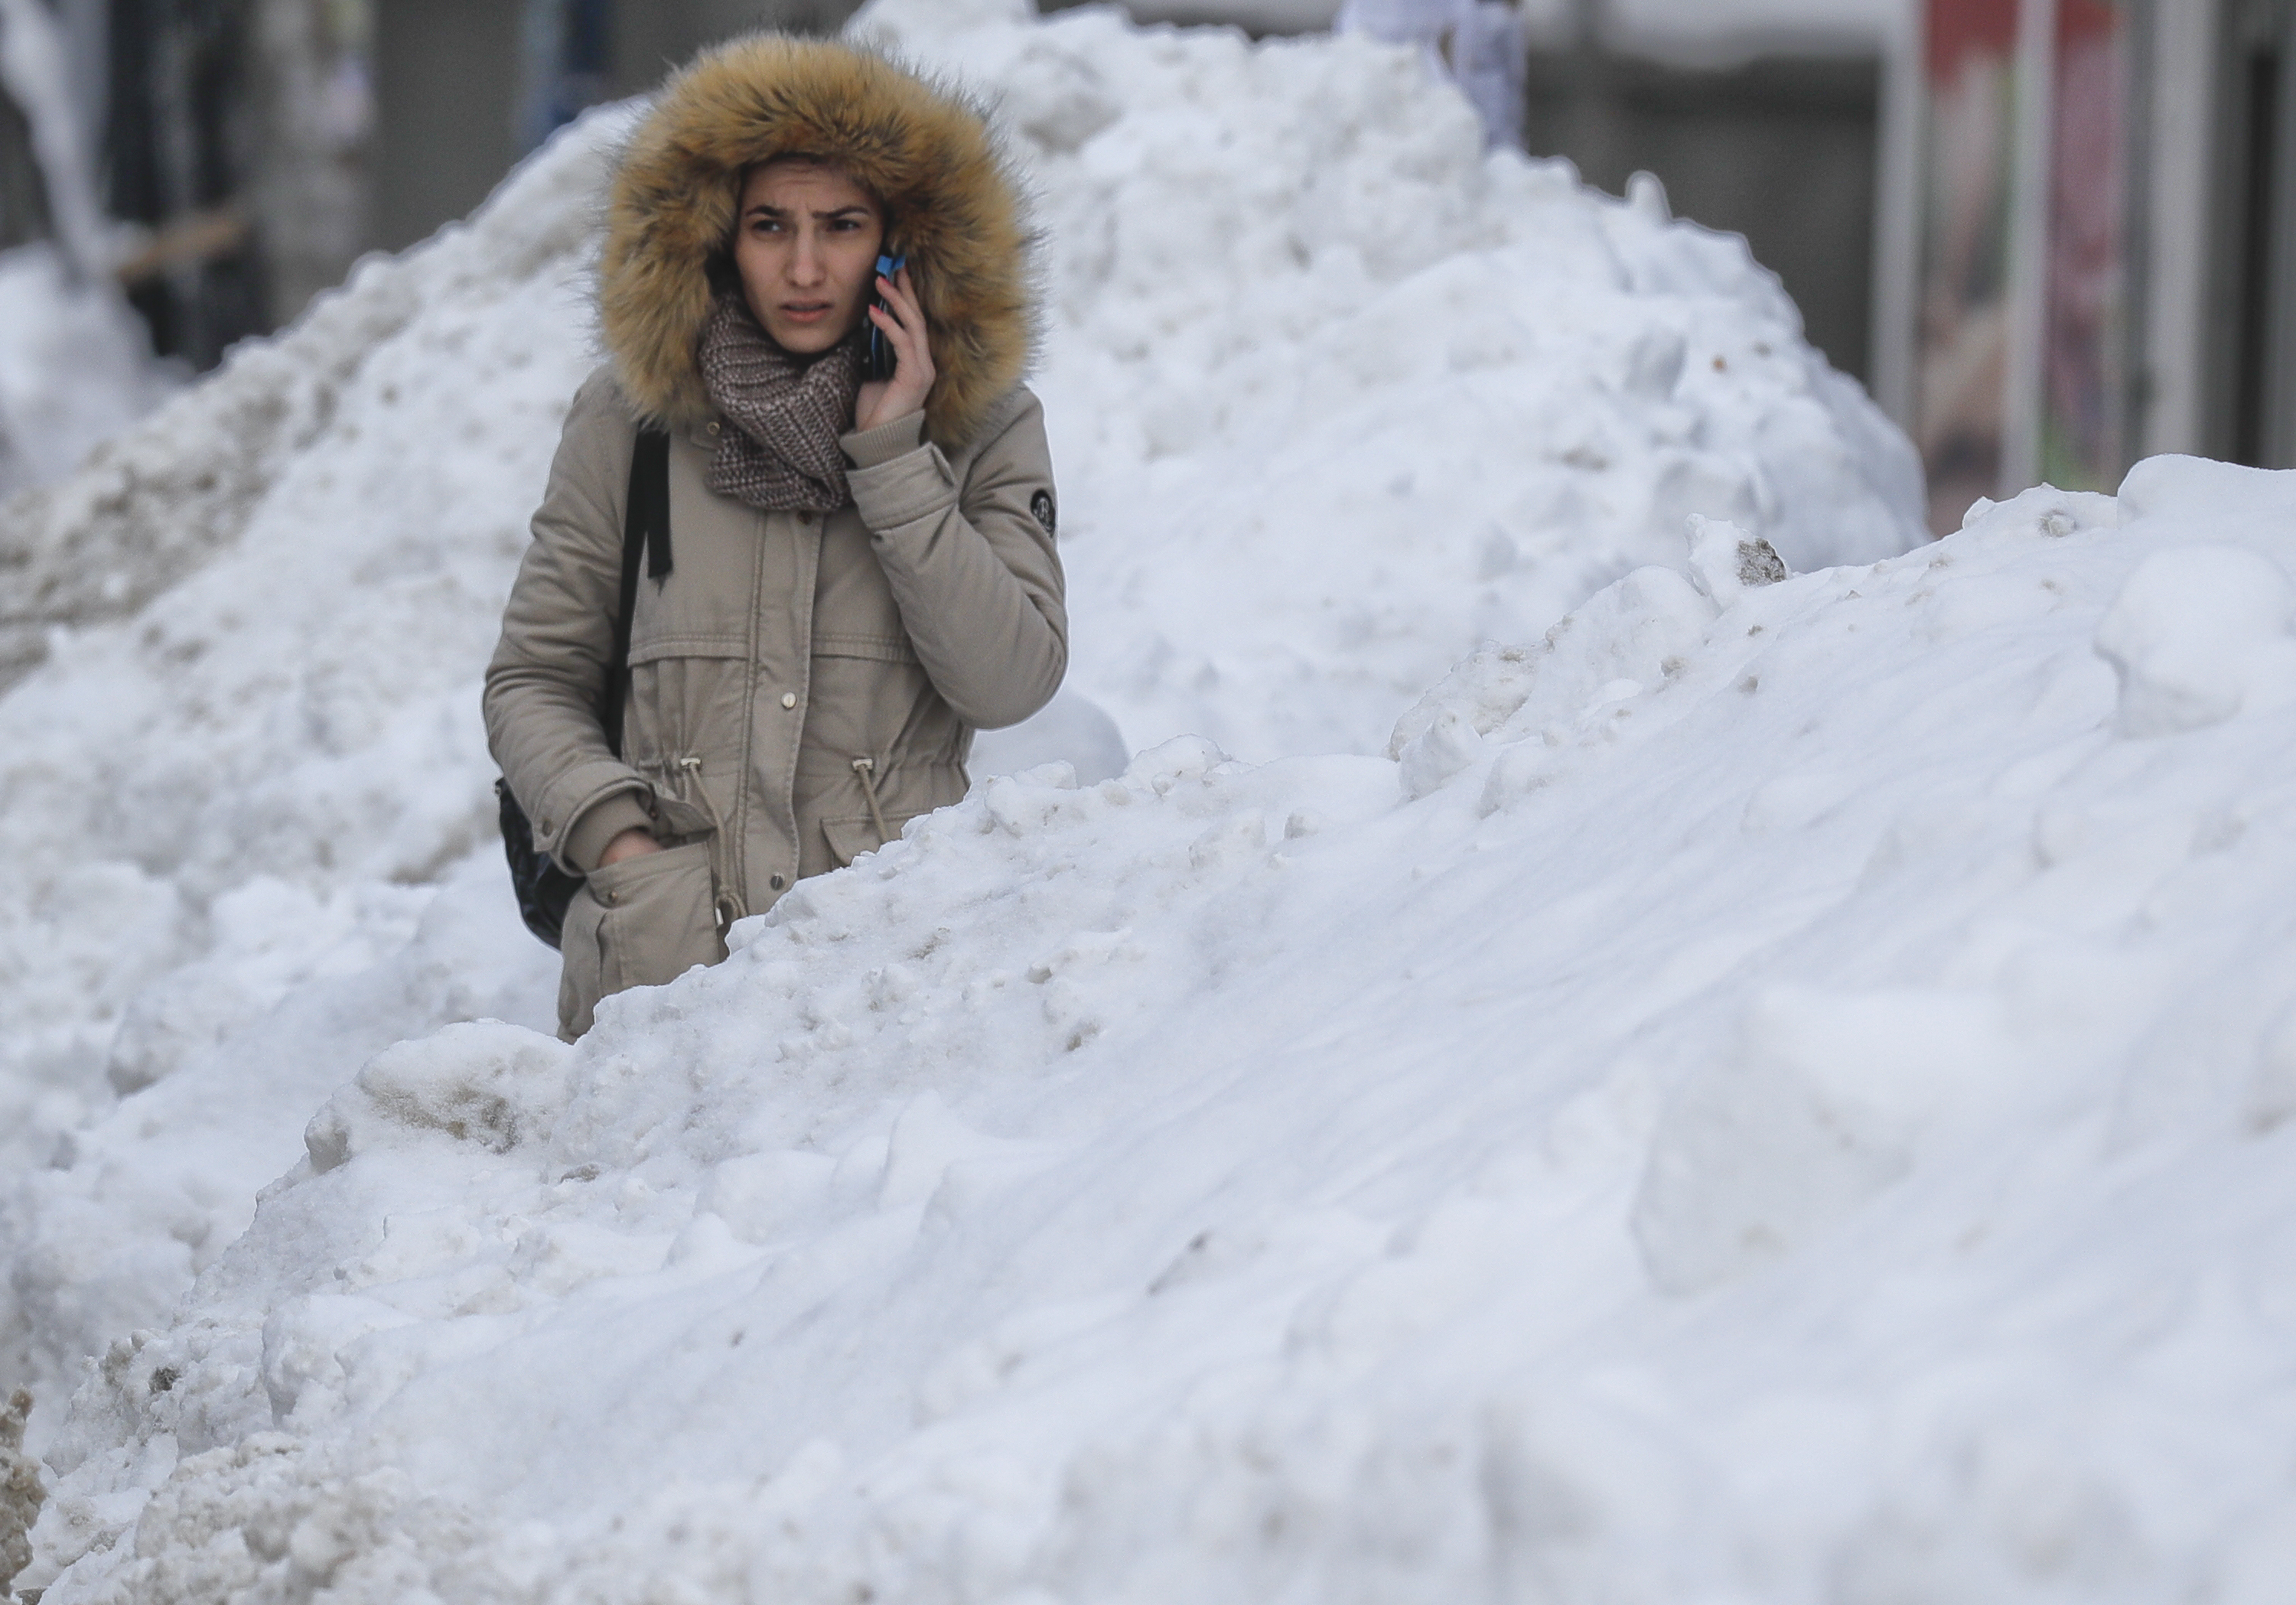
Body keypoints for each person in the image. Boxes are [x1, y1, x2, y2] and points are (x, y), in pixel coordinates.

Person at [484, 34, 1066, 1040]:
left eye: (841, 226)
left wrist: (892, 457)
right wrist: (618, 846)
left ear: (900, 243)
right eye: (769, 226)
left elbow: (1010, 682)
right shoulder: (629, 422)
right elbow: (531, 680)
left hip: (890, 1005)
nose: (803, 267)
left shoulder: (985, 428)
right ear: (716, 236)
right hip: (661, 995)